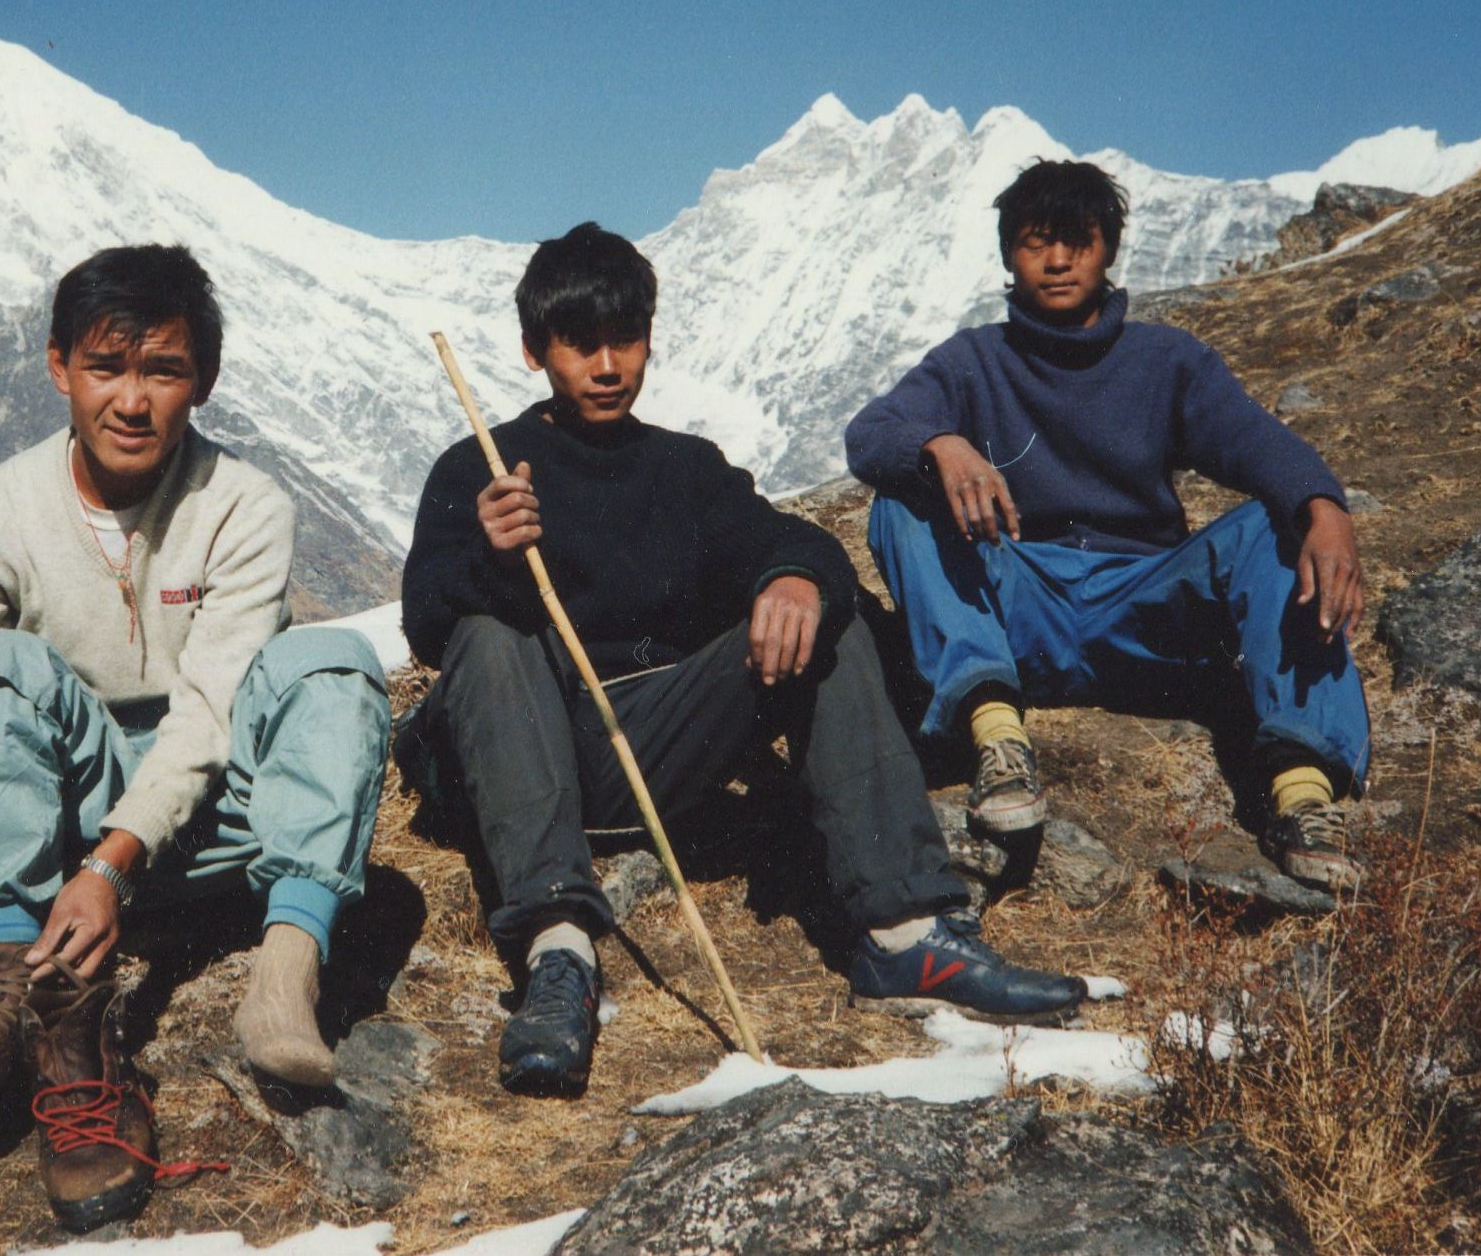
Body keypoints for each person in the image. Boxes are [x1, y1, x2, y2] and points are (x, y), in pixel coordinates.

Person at [400, 223, 1086, 1099]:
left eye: (627, 338)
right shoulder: (482, 466)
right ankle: (558, 956)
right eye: (581, 344)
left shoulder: (685, 469)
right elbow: (429, 625)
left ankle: (905, 931)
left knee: (817, 612)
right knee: (489, 632)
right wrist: (488, 561)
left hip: (656, 740)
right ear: (536, 352)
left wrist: (795, 576)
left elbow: (791, 540)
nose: (608, 365)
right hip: (527, 745)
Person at [0, 245, 390, 1232]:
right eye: (107, 367)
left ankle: (286, 975)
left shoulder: (245, 507)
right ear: (58, 368)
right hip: (60, 836)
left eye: (162, 371)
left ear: (200, 380)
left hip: (212, 829)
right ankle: (30, 995)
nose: (132, 399)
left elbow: (210, 708)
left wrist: (115, 866)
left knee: (331, 660)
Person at [845, 160, 1369, 892]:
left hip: (1143, 611)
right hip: (1022, 605)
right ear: (1007, 255)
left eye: (1077, 241)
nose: (1057, 261)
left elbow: (1255, 442)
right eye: (1035, 243)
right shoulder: (972, 362)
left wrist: (1326, 508)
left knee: (1277, 526)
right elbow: (871, 433)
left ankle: (1303, 793)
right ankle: (998, 741)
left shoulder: (1168, 361)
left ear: (1109, 248)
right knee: (902, 497)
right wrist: (940, 443)